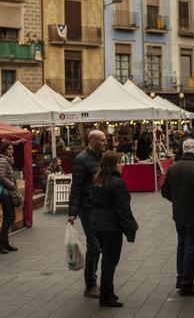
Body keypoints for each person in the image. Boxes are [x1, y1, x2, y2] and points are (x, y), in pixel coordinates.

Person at [160, 137, 194, 296]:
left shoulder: (173, 167)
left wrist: (177, 199)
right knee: (190, 246)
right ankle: (187, 282)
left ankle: (181, 278)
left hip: (178, 213)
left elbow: (165, 191)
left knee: (182, 244)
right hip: (192, 213)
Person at [91, 151, 138, 308]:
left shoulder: (98, 179)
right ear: (112, 164)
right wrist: (130, 229)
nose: (122, 164)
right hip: (111, 227)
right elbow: (123, 209)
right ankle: (106, 297)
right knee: (110, 262)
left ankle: (108, 292)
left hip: (98, 224)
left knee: (107, 260)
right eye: (119, 162)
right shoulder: (117, 183)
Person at [68, 130, 106, 298]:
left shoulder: (101, 157)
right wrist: (73, 212)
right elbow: (76, 186)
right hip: (87, 207)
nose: (105, 143)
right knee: (94, 245)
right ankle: (90, 284)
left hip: (100, 206)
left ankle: (95, 282)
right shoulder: (81, 160)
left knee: (99, 244)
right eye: (102, 140)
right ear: (93, 142)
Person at [0, 140, 21, 254]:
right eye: (9, 149)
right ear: (4, 150)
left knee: (7, 218)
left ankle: (4, 243)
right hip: (4, 193)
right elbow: (1, 177)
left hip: (7, 192)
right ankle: (0, 243)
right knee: (10, 217)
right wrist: (12, 185)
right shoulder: (2, 160)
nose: (11, 151)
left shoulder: (7, 161)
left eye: (12, 149)